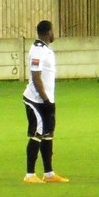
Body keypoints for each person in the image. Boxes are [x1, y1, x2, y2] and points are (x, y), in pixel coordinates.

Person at [22, 20, 69, 184]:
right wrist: (46, 100)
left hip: (47, 99)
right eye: (53, 31)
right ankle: (29, 175)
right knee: (37, 133)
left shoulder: (46, 50)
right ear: (49, 32)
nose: (54, 33)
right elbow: (36, 78)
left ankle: (49, 174)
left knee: (48, 135)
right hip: (36, 100)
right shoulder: (38, 51)